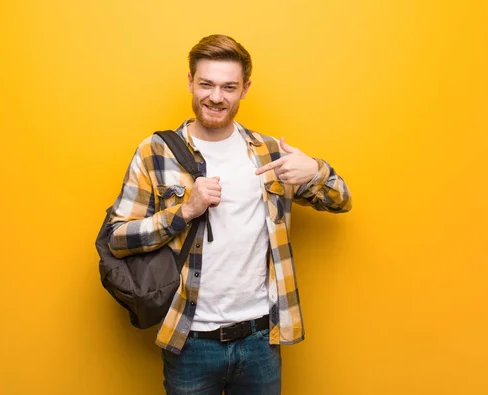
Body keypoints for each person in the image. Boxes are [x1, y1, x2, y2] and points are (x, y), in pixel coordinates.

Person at [107, 34, 352, 395]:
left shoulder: (269, 153)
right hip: (190, 340)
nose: (216, 97)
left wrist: (314, 169)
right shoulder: (155, 152)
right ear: (190, 81)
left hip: (260, 340)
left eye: (228, 87)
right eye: (206, 84)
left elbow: (341, 200)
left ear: (244, 89)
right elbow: (117, 238)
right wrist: (184, 211)